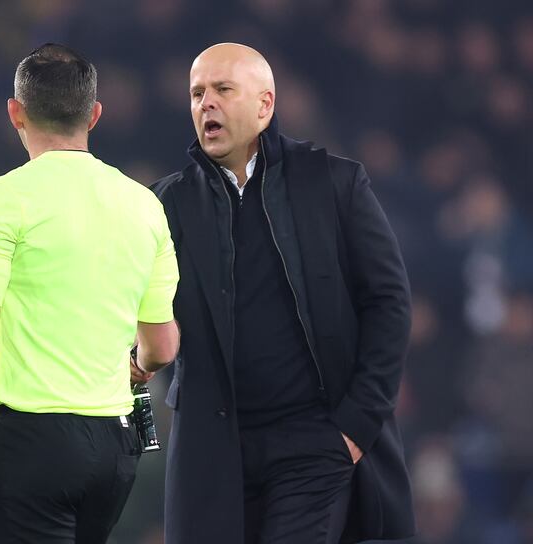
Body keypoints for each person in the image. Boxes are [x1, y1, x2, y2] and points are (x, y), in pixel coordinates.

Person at [0, 43, 180, 544]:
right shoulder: (144, 205)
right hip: (117, 444)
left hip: (34, 438)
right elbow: (162, 346)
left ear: (15, 112)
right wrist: (137, 363)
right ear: (94, 114)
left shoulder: (4, 197)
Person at [150, 43, 415, 544]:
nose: (206, 103)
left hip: (315, 444)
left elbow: (390, 304)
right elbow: (143, 314)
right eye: (197, 93)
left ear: (265, 104)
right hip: (214, 453)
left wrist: (354, 430)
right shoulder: (167, 204)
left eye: (223, 90)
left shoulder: (334, 183)